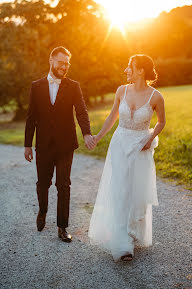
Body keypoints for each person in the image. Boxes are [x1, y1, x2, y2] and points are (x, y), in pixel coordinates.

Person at [88, 54, 166, 261]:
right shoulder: (121, 91)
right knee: (120, 189)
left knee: (137, 193)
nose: (126, 70)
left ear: (141, 70)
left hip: (140, 146)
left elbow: (161, 122)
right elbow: (112, 117)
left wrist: (151, 138)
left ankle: (133, 231)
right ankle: (122, 243)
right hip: (120, 144)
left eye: (130, 67)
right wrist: (97, 137)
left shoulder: (156, 96)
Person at [24, 46, 96, 242]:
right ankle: (42, 211)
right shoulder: (36, 86)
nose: (64, 66)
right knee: (43, 183)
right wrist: (27, 144)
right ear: (51, 61)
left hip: (66, 145)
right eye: (61, 62)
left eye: (67, 63)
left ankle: (62, 227)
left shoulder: (73, 86)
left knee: (64, 185)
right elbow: (31, 117)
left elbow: (81, 111)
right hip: (44, 145)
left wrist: (87, 133)